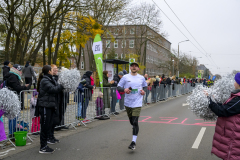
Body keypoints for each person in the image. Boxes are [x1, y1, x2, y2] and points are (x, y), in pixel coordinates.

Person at [204, 73, 240, 160]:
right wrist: (213, 100)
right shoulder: (236, 97)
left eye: (235, 81)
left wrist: (209, 100)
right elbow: (226, 107)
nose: (234, 83)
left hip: (234, 141)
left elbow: (222, 111)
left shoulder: (238, 99)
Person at [117, 62, 147, 150]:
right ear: (130, 68)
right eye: (132, 66)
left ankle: (133, 142)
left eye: (136, 66)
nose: (134, 67)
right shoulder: (125, 77)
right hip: (128, 103)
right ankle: (134, 128)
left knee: (135, 122)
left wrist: (143, 91)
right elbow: (118, 87)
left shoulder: (141, 77)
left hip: (137, 103)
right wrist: (124, 89)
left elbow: (145, 87)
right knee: (132, 122)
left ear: (138, 68)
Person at [37, 65, 64, 154]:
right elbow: (53, 89)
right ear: (49, 71)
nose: (54, 71)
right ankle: (43, 147)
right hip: (45, 106)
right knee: (44, 126)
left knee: (48, 125)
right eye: (52, 69)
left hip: (50, 105)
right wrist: (62, 85)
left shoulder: (50, 79)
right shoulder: (45, 80)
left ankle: (45, 144)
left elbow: (57, 87)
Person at [3, 64, 30, 137]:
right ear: (17, 70)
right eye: (20, 70)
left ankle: (13, 132)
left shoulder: (12, 75)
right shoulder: (13, 76)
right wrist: (24, 87)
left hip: (13, 99)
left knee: (14, 117)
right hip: (13, 100)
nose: (21, 72)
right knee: (13, 117)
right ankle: (12, 133)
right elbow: (16, 87)